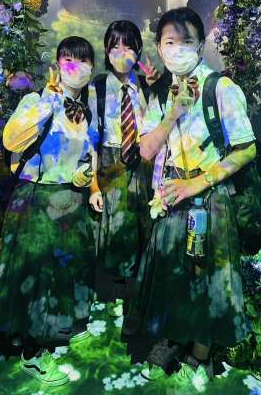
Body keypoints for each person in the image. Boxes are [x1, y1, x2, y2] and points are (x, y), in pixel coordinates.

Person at [128, 7, 258, 388]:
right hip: (170, 198)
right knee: (173, 273)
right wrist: (172, 113)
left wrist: (197, 183)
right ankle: (172, 340)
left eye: (186, 41)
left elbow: (246, 148)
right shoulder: (159, 94)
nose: (178, 49)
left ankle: (200, 354)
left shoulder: (221, 88)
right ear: (159, 47)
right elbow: (146, 150)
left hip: (208, 200)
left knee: (207, 277)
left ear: (201, 45)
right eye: (170, 42)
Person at [0, 36, 103, 387]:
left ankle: (55, 335)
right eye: (68, 59)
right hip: (36, 199)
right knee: (35, 276)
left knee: (61, 273)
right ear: (57, 63)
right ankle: (32, 355)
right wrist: (48, 102)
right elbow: (11, 140)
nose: (75, 67)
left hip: (68, 200)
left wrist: (86, 179)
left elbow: (86, 157)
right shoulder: (36, 100)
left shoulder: (85, 112)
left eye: (83, 61)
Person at [91, 20, 157, 307]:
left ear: (138, 50)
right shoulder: (97, 87)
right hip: (110, 162)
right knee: (113, 228)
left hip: (143, 163)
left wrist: (155, 88)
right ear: (106, 51)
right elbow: (89, 138)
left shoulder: (147, 85)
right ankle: (114, 296)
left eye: (128, 46)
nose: (121, 52)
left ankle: (138, 295)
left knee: (143, 226)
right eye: (114, 46)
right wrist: (94, 184)